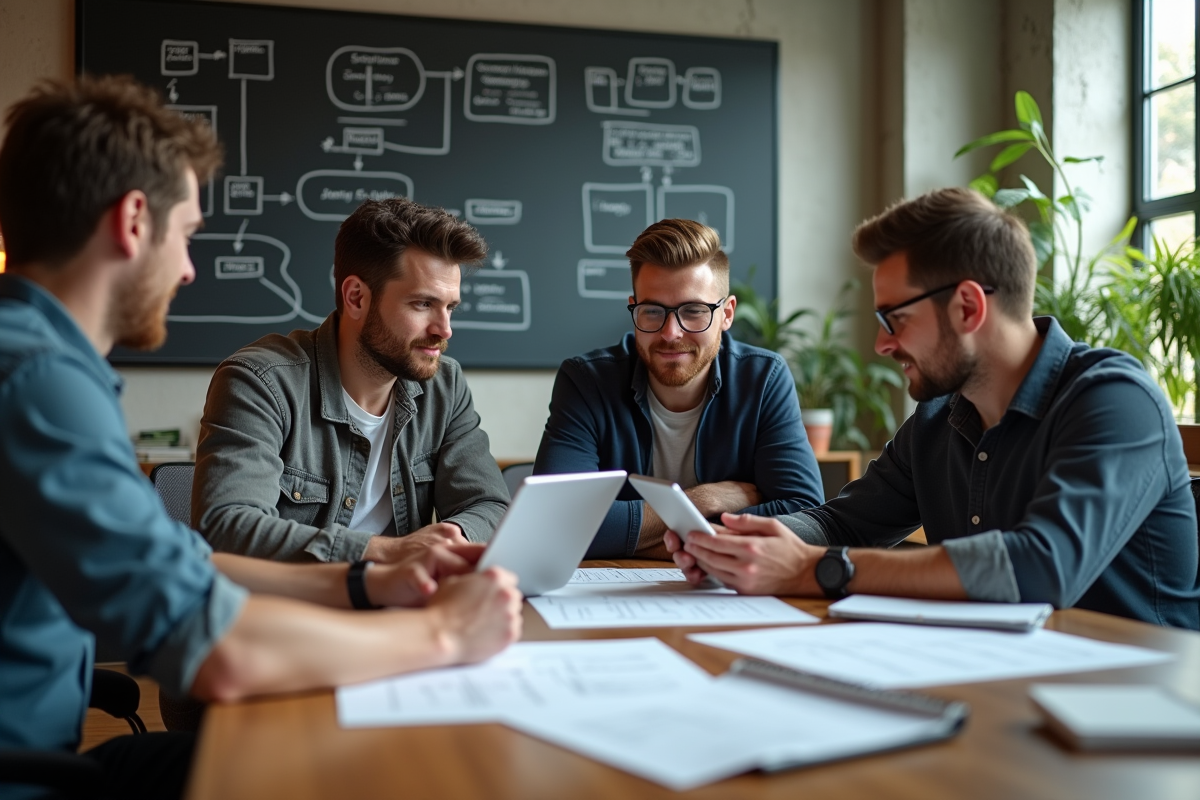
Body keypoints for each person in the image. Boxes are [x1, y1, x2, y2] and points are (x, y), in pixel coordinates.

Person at [0, 76, 522, 800]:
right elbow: (220, 650)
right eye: (185, 236)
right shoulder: (37, 381)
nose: (187, 269)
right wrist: (445, 637)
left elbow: (186, 561)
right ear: (132, 220)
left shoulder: (34, 360)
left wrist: (370, 579)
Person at [666, 188, 1200, 629]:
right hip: (1004, 684)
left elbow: (1039, 568)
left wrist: (815, 569)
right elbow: (845, 523)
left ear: (968, 306)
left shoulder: (1115, 400)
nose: (881, 345)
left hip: (1135, 708)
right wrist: (739, 542)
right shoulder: (939, 419)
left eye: (893, 319)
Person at [192, 197, 509, 565]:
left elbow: (489, 505)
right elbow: (227, 527)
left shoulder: (445, 386)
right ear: (356, 298)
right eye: (422, 304)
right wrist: (388, 552)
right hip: (293, 610)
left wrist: (450, 540)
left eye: (449, 307)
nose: (445, 329)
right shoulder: (261, 383)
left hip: (402, 606)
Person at [534, 219, 824, 559]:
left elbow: (806, 519)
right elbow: (555, 522)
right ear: (634, 308)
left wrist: (643, 538)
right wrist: (702, 500)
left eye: (694, 311)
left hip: (730, 595)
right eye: (653, 311)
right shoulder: (585, 381)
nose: (671, 333)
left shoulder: (763, 379)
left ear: (726, 314)